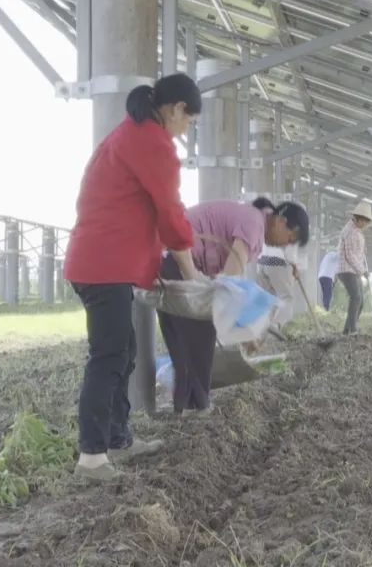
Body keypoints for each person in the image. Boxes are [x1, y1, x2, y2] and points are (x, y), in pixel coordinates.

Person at [63, 73, 202, 482]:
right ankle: (91, 458)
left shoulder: (129, 134)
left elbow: (134, 212)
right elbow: (171, 215)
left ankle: (119, 438)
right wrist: (191, 275)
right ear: (177, 109)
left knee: (124, 353)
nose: (186, 129)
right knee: (108, 357)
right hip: (103, 266)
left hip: (101, 263)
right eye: (189, 120)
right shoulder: (153, 143)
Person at [157, 197, 309, 417]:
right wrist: (246, 332)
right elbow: (230, 279)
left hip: (165, 260)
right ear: (281, 221)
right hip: (177, 258)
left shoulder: (250, 220)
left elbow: (224, 279)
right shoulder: (255, 222)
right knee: (201, 330)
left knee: (180, 336)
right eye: (290, 237)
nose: (285, 244)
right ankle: (198, 406)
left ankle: (185, 407)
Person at [336, 202, 372, 335]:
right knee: (356, 297)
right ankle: (352, 330)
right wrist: (363, 271)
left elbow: (356, 252)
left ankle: (348, 329)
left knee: (360, 300)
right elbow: (350, 256)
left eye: (367, 221)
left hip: (352, 270)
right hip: (347, 270)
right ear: (358, 218)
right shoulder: (351, 232)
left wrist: (362, 250)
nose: (365, 224)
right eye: (364, 221)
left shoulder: (356, 230)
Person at [256, 243, 301, 329]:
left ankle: (262, 329)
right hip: (278, 260)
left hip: (261, 260)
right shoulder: (296, 229)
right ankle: (275, 325)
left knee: (269, 299)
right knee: (287, 298)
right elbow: (289, 251)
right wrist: (295, 266)